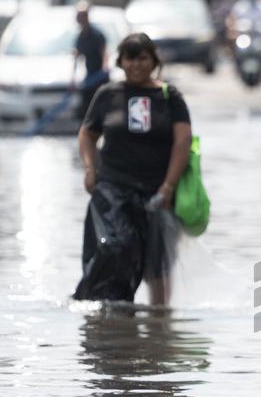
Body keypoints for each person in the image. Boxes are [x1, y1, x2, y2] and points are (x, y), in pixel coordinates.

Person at [74, 33, 192, 307]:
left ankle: (158, 325)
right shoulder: (108, 95)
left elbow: (182, 141)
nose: (136, 65)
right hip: (113, 188)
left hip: (157, 191)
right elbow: (87, 135)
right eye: (130, 58)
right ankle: (105, 313)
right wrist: (90, 169)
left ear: (153, 61)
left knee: (158, 264)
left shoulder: (168, 96)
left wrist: (168, 186)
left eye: (142, 58)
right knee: (116, 246)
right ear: (121, 61)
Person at [72, 2, 108, 121]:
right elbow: (77, 57)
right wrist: (72, 79)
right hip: (89, 76)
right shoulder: (80, 37)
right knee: (85, 106)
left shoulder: (97, 35)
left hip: (100, 76)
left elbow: (104, 52)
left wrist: (104, 68)